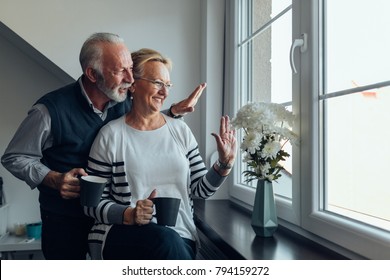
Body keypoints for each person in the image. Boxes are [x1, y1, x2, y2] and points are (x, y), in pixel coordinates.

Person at [1, 33, 205, 260]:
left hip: (114, 216)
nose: (130, 79)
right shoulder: (49, 111)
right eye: (120, 71)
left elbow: (142, 124)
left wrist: (173, 112)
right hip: (64, 217)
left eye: (131, 68)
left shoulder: (123, 99)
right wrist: (53, 177)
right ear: (92, 74)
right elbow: (14, 156)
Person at [84, 48, 236, 260]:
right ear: (133, 84)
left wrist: (223, 165)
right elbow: (91, 204)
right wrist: (129, 213)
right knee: (166, 240)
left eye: (168, 85)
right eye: (157, 83)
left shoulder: (180, 131)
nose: (165, 92)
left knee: (170, 241)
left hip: (181, 237)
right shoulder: (111, 135)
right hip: (124, 233)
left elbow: (200, 190)